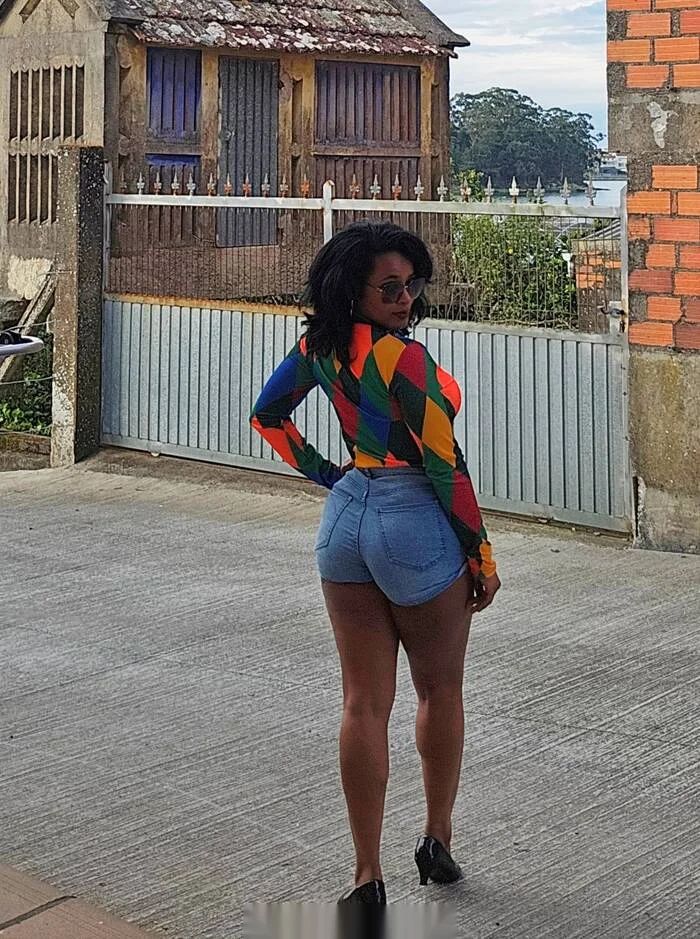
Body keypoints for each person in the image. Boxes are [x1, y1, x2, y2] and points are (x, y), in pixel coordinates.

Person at [250, 220, 500, 904]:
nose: (406, 299)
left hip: (346, 520)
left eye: (412, 285)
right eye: (389, 288)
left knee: (362, 702)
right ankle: (436, 839)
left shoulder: (318, 348)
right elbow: (444, 463)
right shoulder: (404, 359)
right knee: (438, 690)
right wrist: (480, 553)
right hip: (413, 519)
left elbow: (267, 416)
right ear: (351, 290)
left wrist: (330, 475)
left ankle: (367, 875)